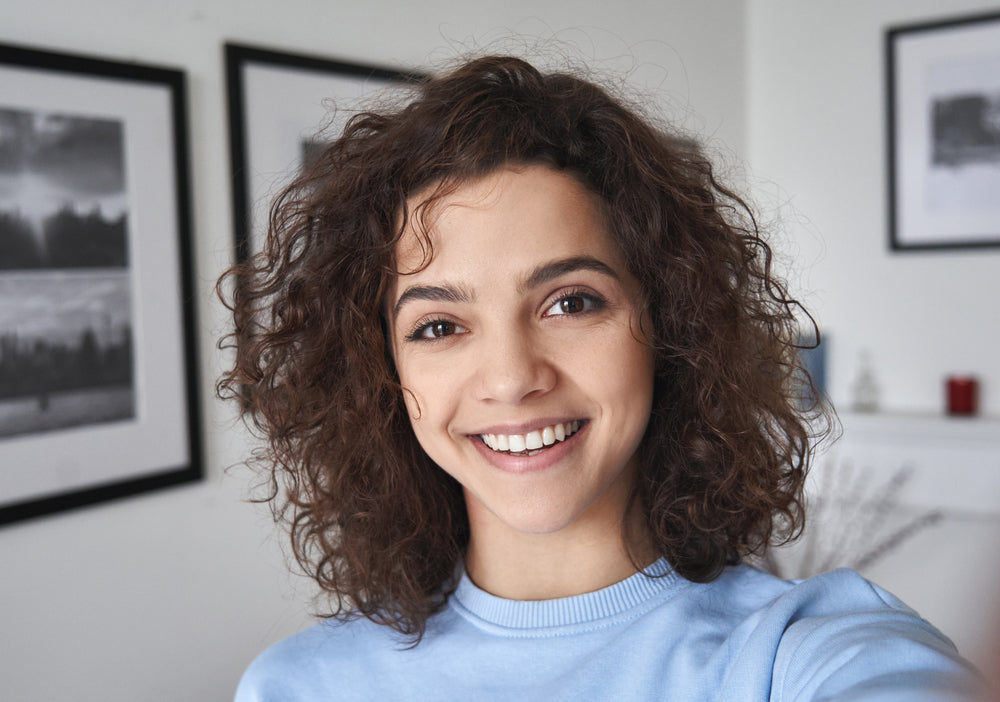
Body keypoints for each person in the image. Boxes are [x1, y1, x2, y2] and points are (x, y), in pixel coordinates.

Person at [220, 55, 977, 701]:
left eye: (570, 302)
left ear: (669, 325)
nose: (512, 378)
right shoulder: (298, 687)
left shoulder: (799, 658)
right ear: (382, 372)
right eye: (440, 326)